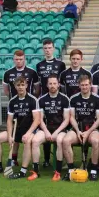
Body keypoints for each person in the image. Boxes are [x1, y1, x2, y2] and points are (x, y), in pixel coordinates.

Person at [28, 74, 70, 181]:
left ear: (58, 85)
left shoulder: (65, 99)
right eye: (50, 83)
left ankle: (58, 172)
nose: (52, 85)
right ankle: (36, 171)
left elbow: (66, 120)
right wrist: (46, 131)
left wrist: (56, 132)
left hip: (60, 129)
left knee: (60, 140)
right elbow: (40, 119)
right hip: (45, 128)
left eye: (54, 83)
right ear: (47, 85)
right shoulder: (41, 100)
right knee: (35, 141)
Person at [0, 76, 40, 178]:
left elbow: (37, 120)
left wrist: (29, 133)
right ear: (15, 87)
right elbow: (9, 120)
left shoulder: (33, 100)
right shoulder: (13, 101)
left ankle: (23, 171)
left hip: (29, 129)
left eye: (22, 85)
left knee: (27, 140)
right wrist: (9, 136)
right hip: (16, 129)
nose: (20, 87)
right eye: (18, 85)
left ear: (26, 85)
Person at [3, 50, 40, 167]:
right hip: (15, 106)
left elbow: (37, 89)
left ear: (24, 59)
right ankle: (14, 160)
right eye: (16, 59)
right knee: (15, 135)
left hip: (28, 107)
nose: (19, 61)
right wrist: (14, 101)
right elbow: (6, 90)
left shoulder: (32, 72)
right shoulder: (8, 73)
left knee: (25, 136)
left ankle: (27, 164)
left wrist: (29, 100)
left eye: (21, 59)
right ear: (13, 59)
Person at [61, 75, 99, 181]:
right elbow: (72, 117)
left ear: (90, 85)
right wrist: (78, 131)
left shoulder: (97, 99)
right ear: (79, 85)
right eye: (82, 85)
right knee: (65, 141)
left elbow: (98, 119)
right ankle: (71, 170)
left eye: (87, 85)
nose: (84, 87)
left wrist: (88, 132)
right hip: (77, 129)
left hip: (92, 129)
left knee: (96, 141)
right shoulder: (74, 98)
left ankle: (93, 170)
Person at [36, 38, 66, 167]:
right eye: (45, 48)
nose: (47, 50)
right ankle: (47, 160)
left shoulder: (60, 64)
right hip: (44, 99)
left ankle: (61, 160)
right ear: (43, 50)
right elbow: (38, 87)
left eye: (49, 48)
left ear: (54, 49)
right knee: (45, 127)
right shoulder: (39, 65)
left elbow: (63, 85)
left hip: (58, 99)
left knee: (59, 130)